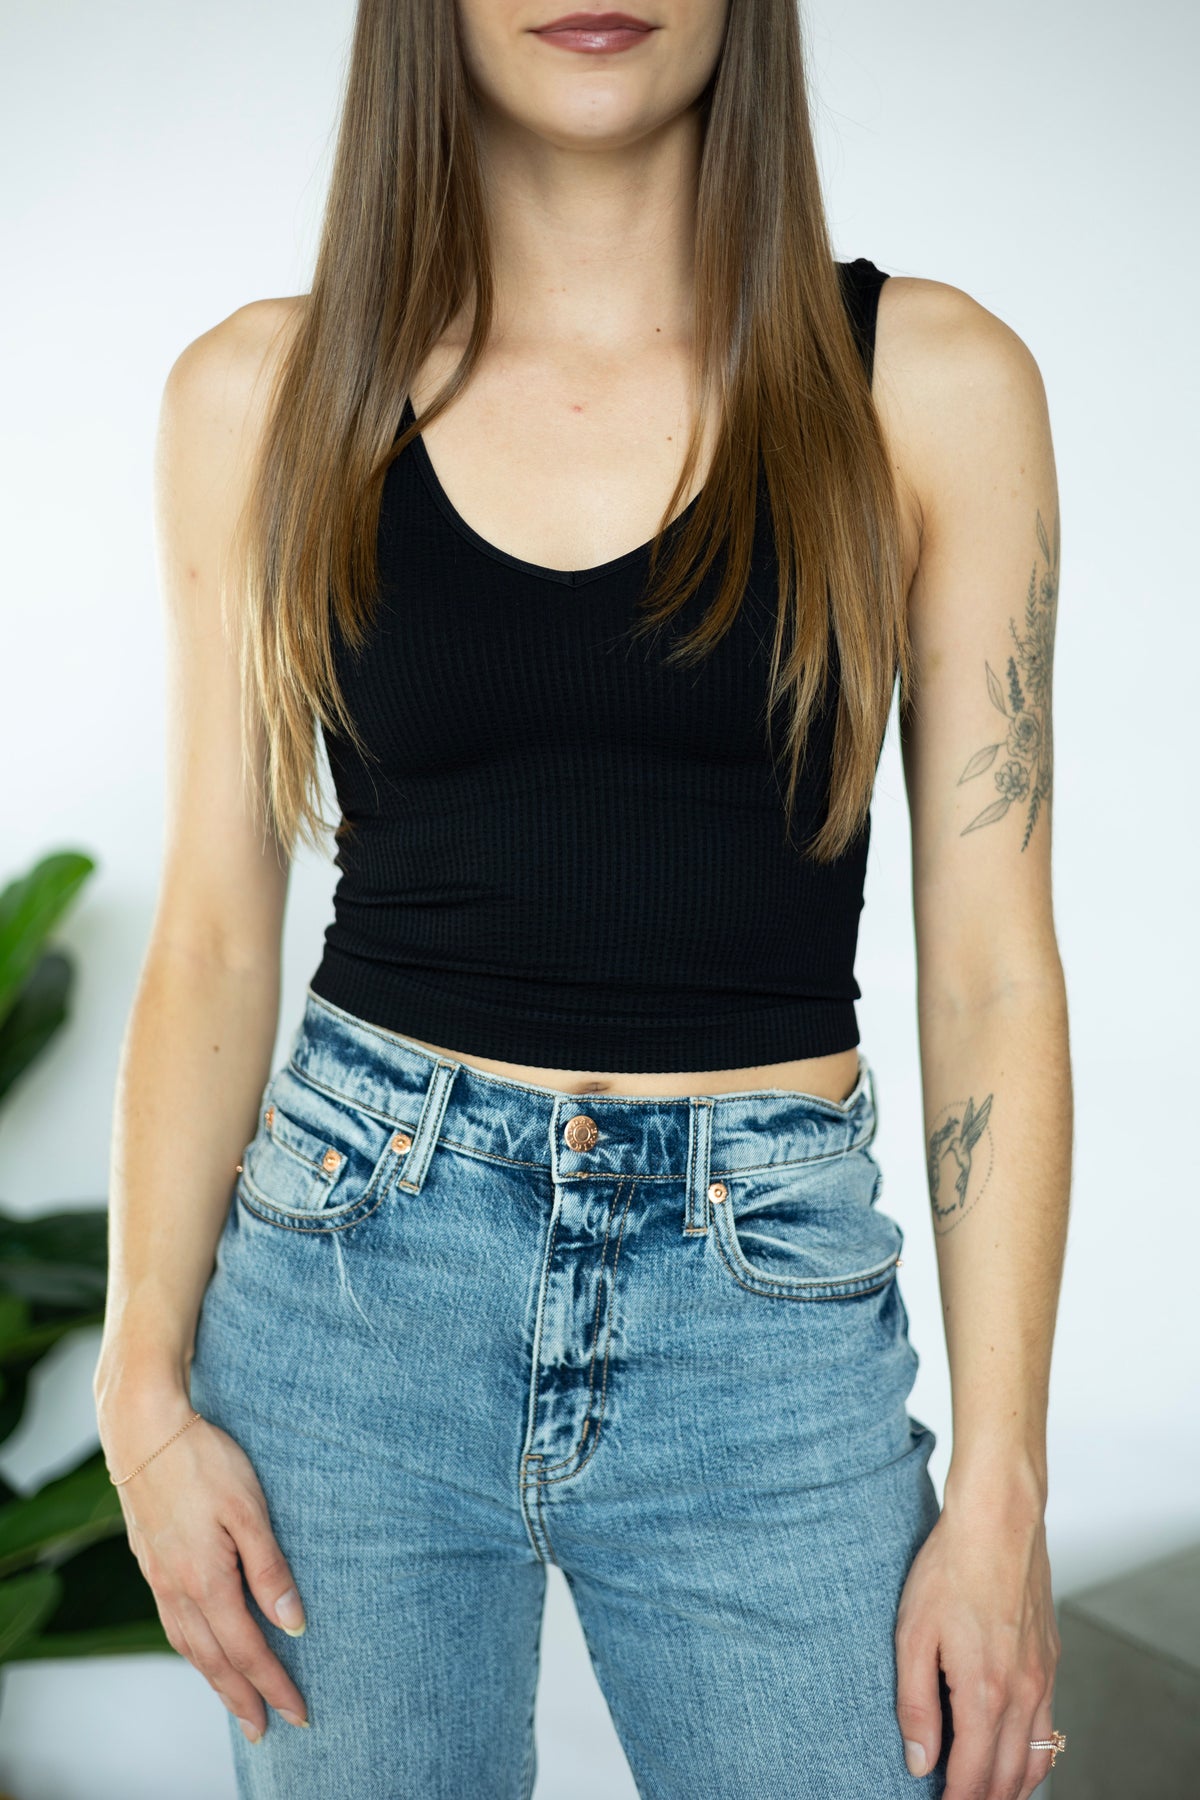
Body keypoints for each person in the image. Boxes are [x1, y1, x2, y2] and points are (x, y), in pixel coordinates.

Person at [94, 2, 1071, 1796]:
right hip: (351, 1286)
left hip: (762, 1304)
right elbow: (216, 931)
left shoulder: (931, 385)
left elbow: (993, 972)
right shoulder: (259, 395)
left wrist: (1005, 1484)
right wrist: (137, 1388)